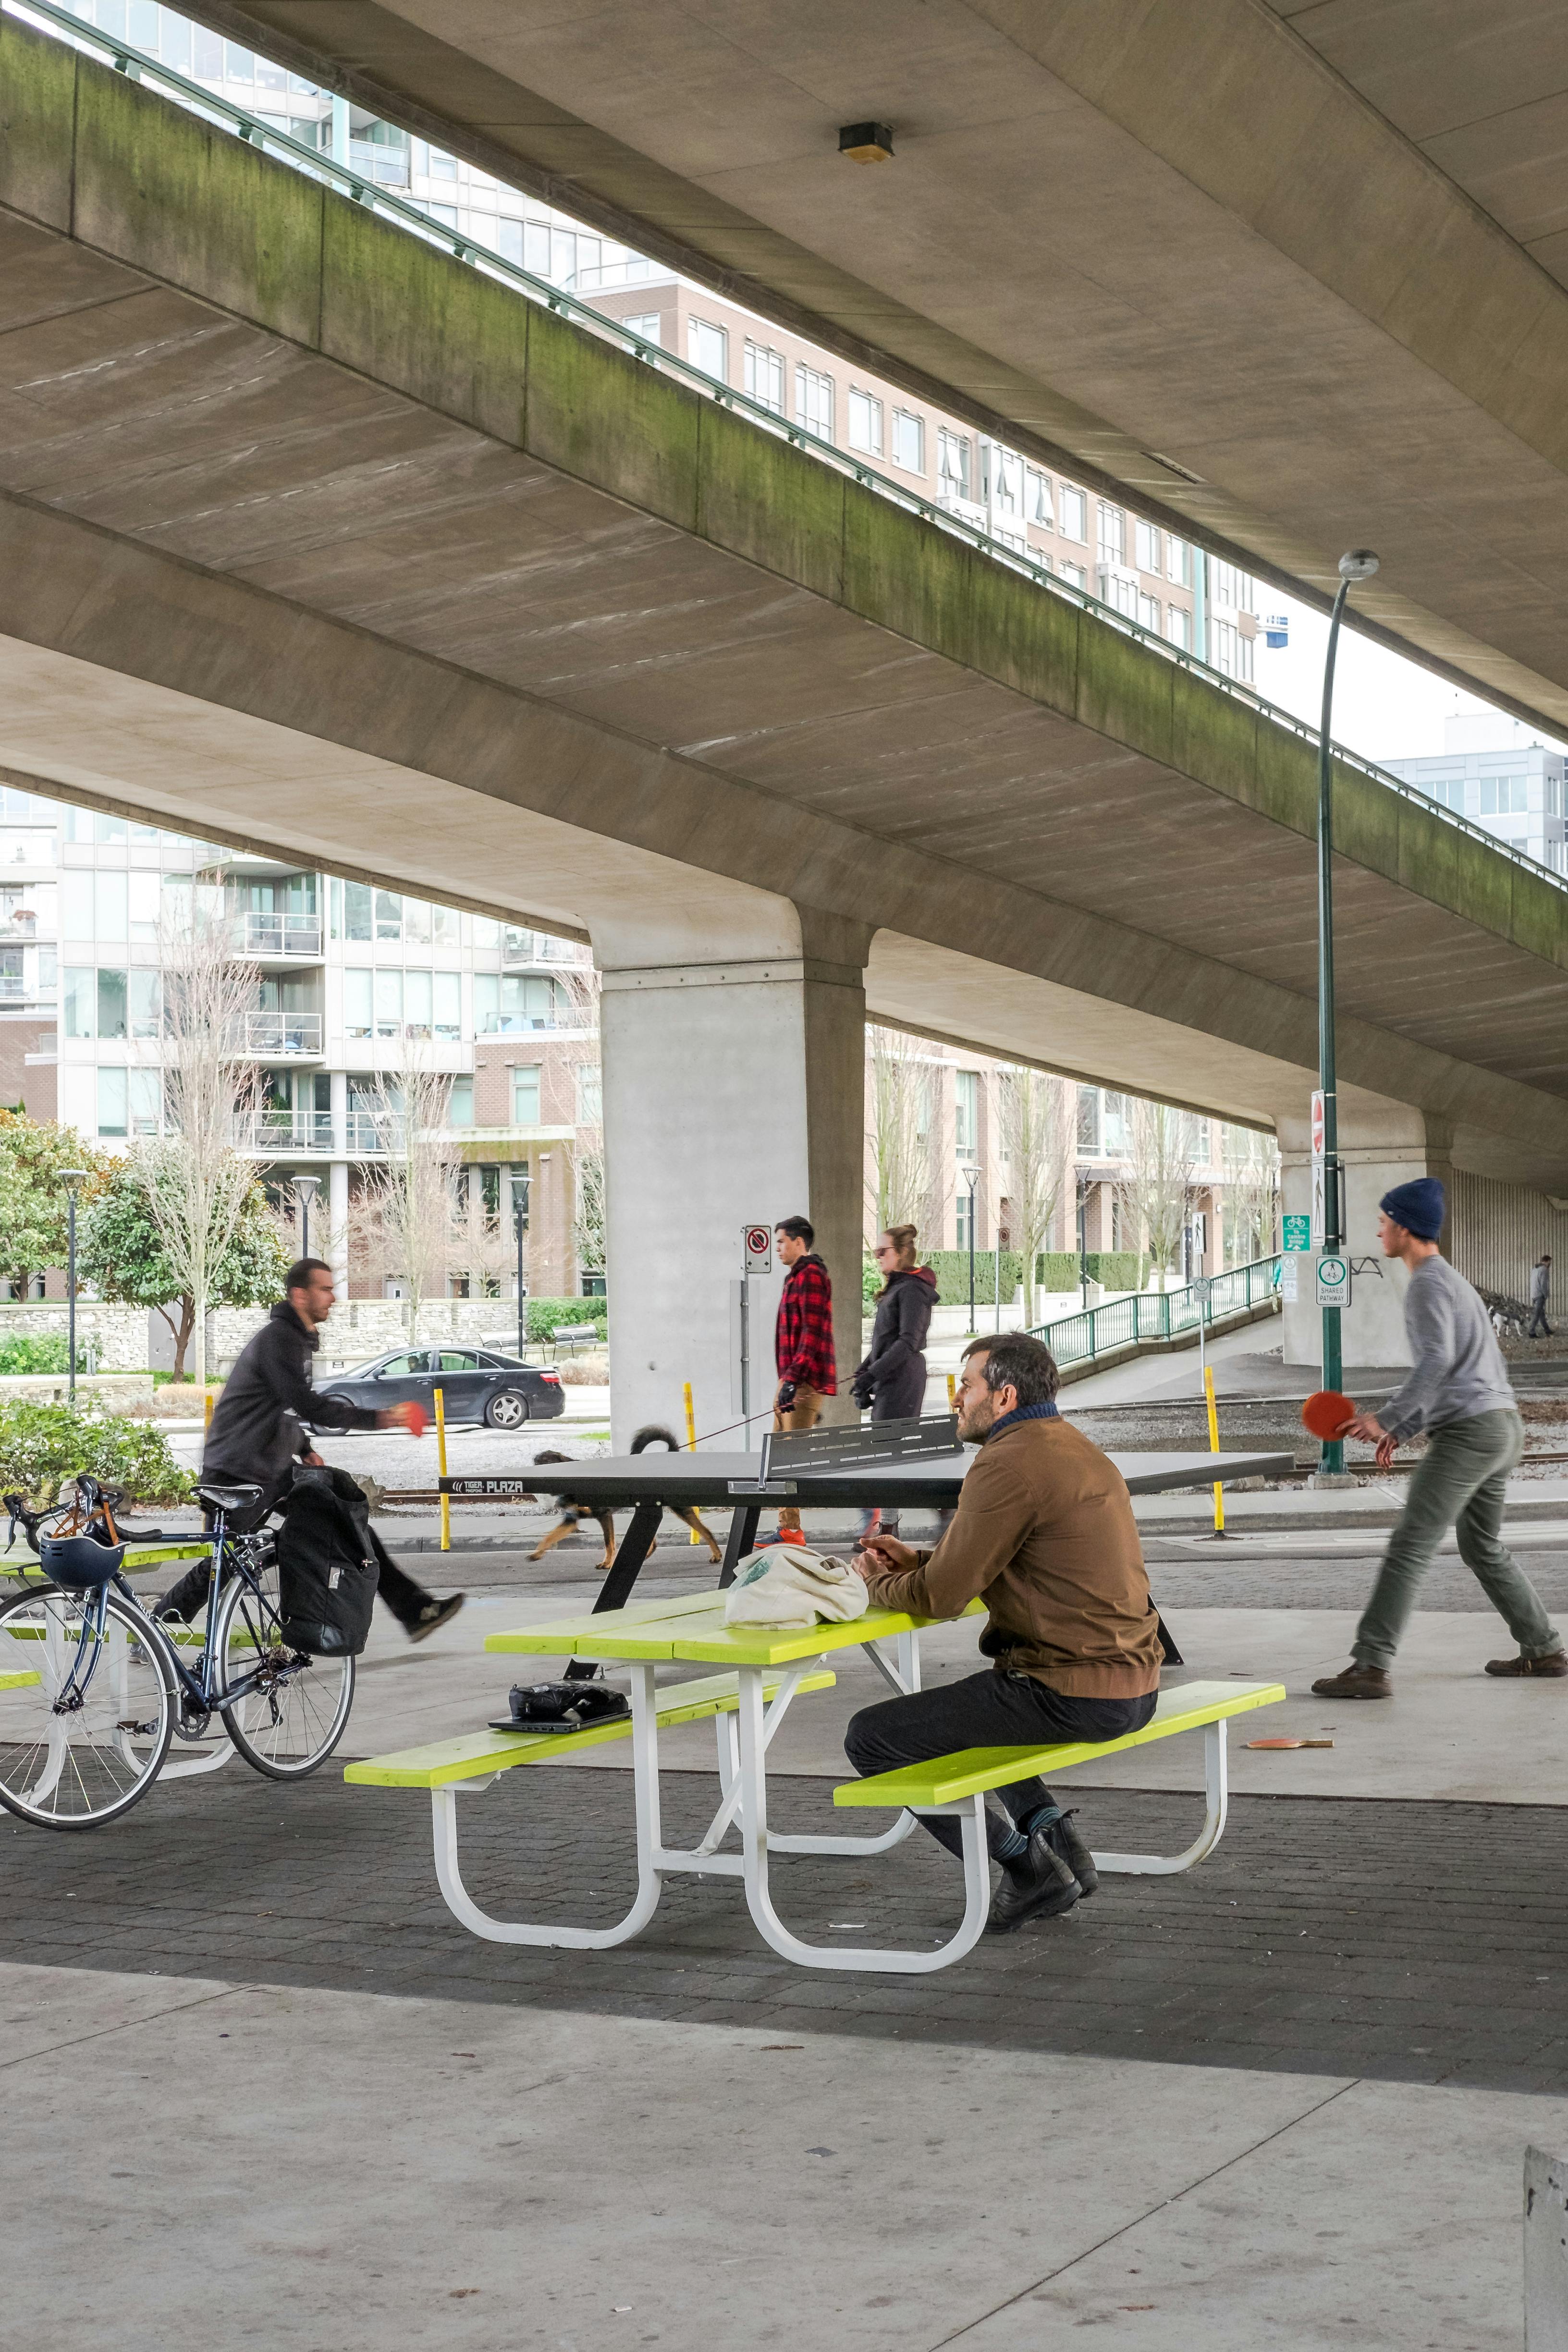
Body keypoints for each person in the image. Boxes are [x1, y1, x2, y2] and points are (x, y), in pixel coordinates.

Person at [844, 1331, 1163, 1933]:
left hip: (1073, 1692)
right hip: (1134, 1682)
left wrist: (870, 1587)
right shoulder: (1075, 1447)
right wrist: (918, 1561)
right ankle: (1057, 1840)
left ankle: (1027, 1869)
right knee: (984, 1706)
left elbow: (942, 1599)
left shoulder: (1006, 1463)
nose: (957, 1399)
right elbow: (1006, 1560)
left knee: (873, 1739)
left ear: (1005, 1396)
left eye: (967, 1386)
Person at [1312, 1181, 1564, 1699]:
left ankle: (1370, 1666)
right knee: (1483, 1548)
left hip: (1470, 1435)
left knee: (1410, 1545)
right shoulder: (1451, 1280)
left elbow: (1436, 1362)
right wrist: (1402, 1428)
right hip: (1501, 1427)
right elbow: (1456, 1367)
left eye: (1384, 1220)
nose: (1378, 1229)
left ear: (1404, 1227)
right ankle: (1543, 1648)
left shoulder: (1427, 1283)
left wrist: (1386, 1419)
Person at [156, 1258, 465, 1643]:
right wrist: (382, 1418)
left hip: (267, 1467)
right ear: (299, 1294)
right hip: (239, 1472)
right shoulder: (280, 1339)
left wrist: (305, 1447)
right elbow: (306, 1405)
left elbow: (275, 1405)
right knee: (225, 1564)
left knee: (350, 1527)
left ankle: (415, 1610)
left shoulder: (294, 1340)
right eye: (325, 1289)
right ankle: (157, 1626)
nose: (333, 1298)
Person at [852, 1225, 937, 1543]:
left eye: (882, 1252)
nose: (877, 1258)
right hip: (893, 1376)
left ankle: (916, 1517)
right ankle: (889, 1526)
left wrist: (873, 1375)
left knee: (891, 1455)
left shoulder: (913, 1290)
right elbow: (883, 1344)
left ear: (901, 1253)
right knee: (888, 1454)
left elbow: (908, 1342)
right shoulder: (898, 1288)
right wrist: (864, 1376)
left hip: (903, 1378)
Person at [768, 1215, 836, 1541]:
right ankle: (787, 1528)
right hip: (791, 1379)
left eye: (782, 1241)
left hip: (802, 1382)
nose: (777, 1247)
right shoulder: (794, 1278)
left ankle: (791, 1531)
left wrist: (793, 1380)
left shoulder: (811, 1276)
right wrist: (786, 1380)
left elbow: (813, 1332)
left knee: (790, 1459)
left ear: (799, 1242)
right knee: (779, 1458)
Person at [1529, 1254, 1554, 1340]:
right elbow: (1544, 1284)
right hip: (1540, 1295)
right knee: (1537, 1314)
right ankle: (1531, 1332)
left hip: (1534, 1294)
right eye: (1550, 1262)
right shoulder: (1544, 1270)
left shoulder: (1535, 1269)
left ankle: (1547, 1330)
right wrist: (1546, 1294)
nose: (1550, 1264)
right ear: (1547, 1262)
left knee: (1541, 1313)